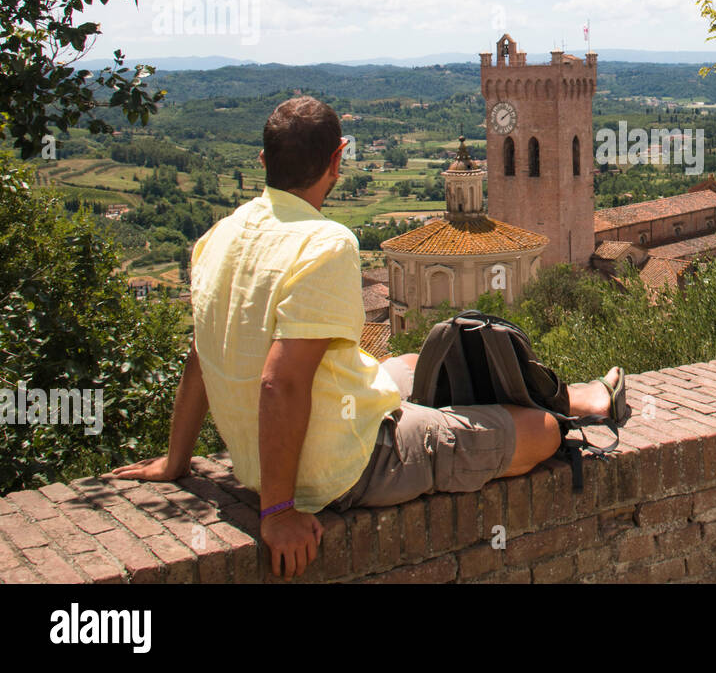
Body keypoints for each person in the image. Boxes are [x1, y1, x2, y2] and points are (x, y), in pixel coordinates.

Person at [113, 96, 623, 578]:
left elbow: (200, 358)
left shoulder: (217, 235)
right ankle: (571, 406)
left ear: (263, 160)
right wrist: (279, 511)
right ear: (338, 159)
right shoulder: (325, 242)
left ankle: (563, 396)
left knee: (414, 360)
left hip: (295, 440)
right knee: (540, 433)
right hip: (345, 466)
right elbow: (279, 384)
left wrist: (175, 461)